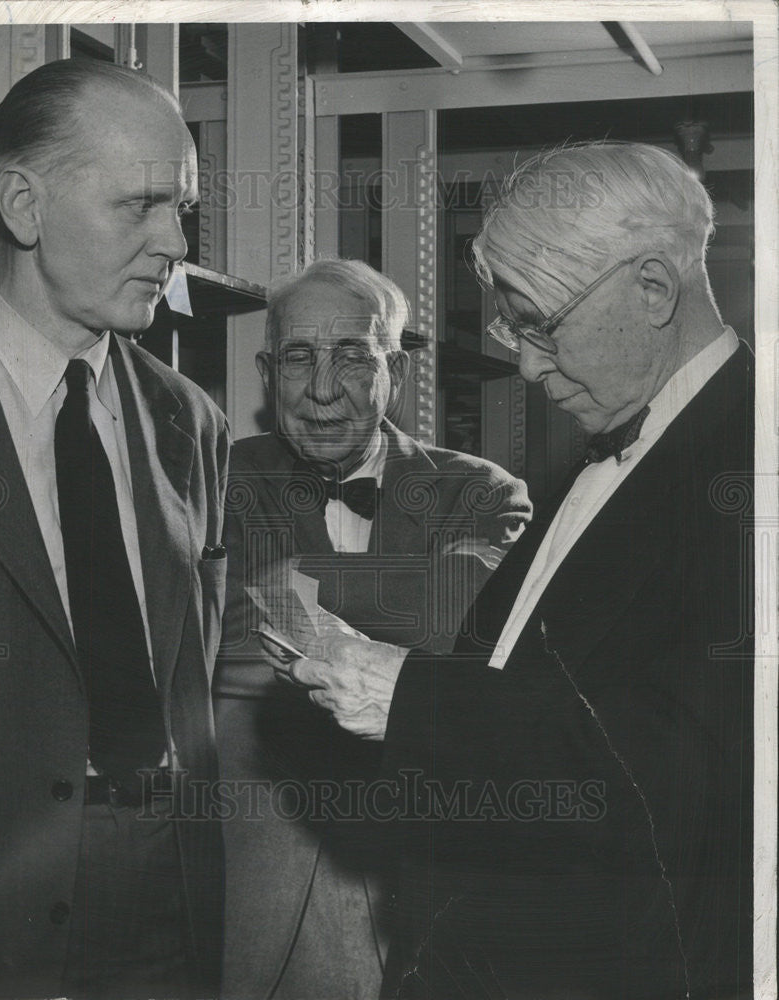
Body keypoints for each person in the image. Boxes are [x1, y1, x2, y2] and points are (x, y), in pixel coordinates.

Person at [262, 144, 755, 999]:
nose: (524, 364)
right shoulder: (620, 450)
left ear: (651, 289)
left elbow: (700, 776)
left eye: (537, 323)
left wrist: (409, 698)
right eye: (509, 328)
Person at [0, 59, 229, 999]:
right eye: (140, 207)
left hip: (163, 886)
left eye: (183, 209)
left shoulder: (189, 419)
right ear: (23, 205)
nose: (175, 242)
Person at [217, 258, 531, 1000]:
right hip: (257, 869)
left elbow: (451, 621)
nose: (323, 389)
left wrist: (276, 586)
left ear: (397, 369)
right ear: (267, 371)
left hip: (424, 865)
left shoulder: (480, 491)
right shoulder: (212, 477)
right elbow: (192, 640)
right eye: (298, 357)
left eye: (353, 356)